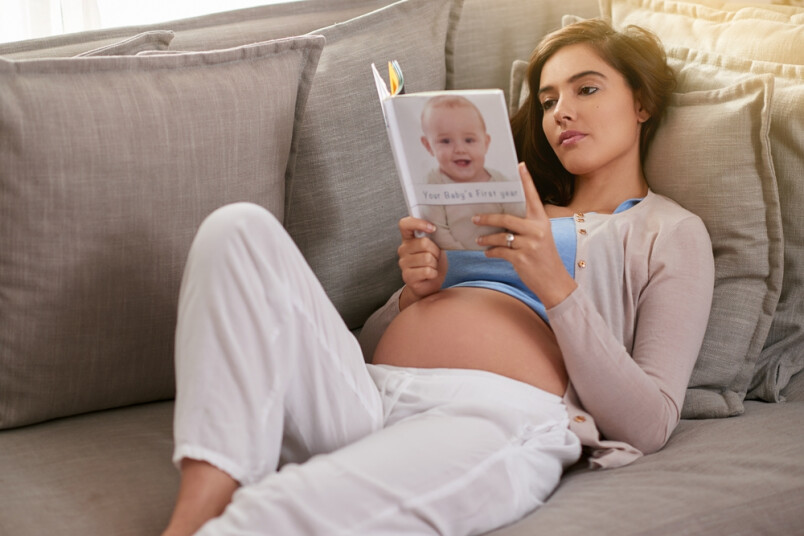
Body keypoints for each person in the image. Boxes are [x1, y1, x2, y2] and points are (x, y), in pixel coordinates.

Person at [161, 19, 714, 536]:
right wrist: (412, 294)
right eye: (548, 101)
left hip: (493, 415)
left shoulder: (669, 231)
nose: (560, 113)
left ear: (641, 102)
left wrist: (555, 284)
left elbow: (649, 424)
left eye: (585, 90)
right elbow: (369, 346)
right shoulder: (497, 207)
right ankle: (203, 493)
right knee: (237, 230)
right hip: (367, 394)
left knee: (280, 515)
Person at [417, 95, 519, 249]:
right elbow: (438, 233)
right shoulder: (433, 183)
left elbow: (519, 222)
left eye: (469, 140)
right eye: (445, 141)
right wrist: (466, 262)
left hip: (503, 258)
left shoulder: (501, 181)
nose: (459, 149)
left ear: (486, 143)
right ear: (428, 146)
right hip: (457, 263)